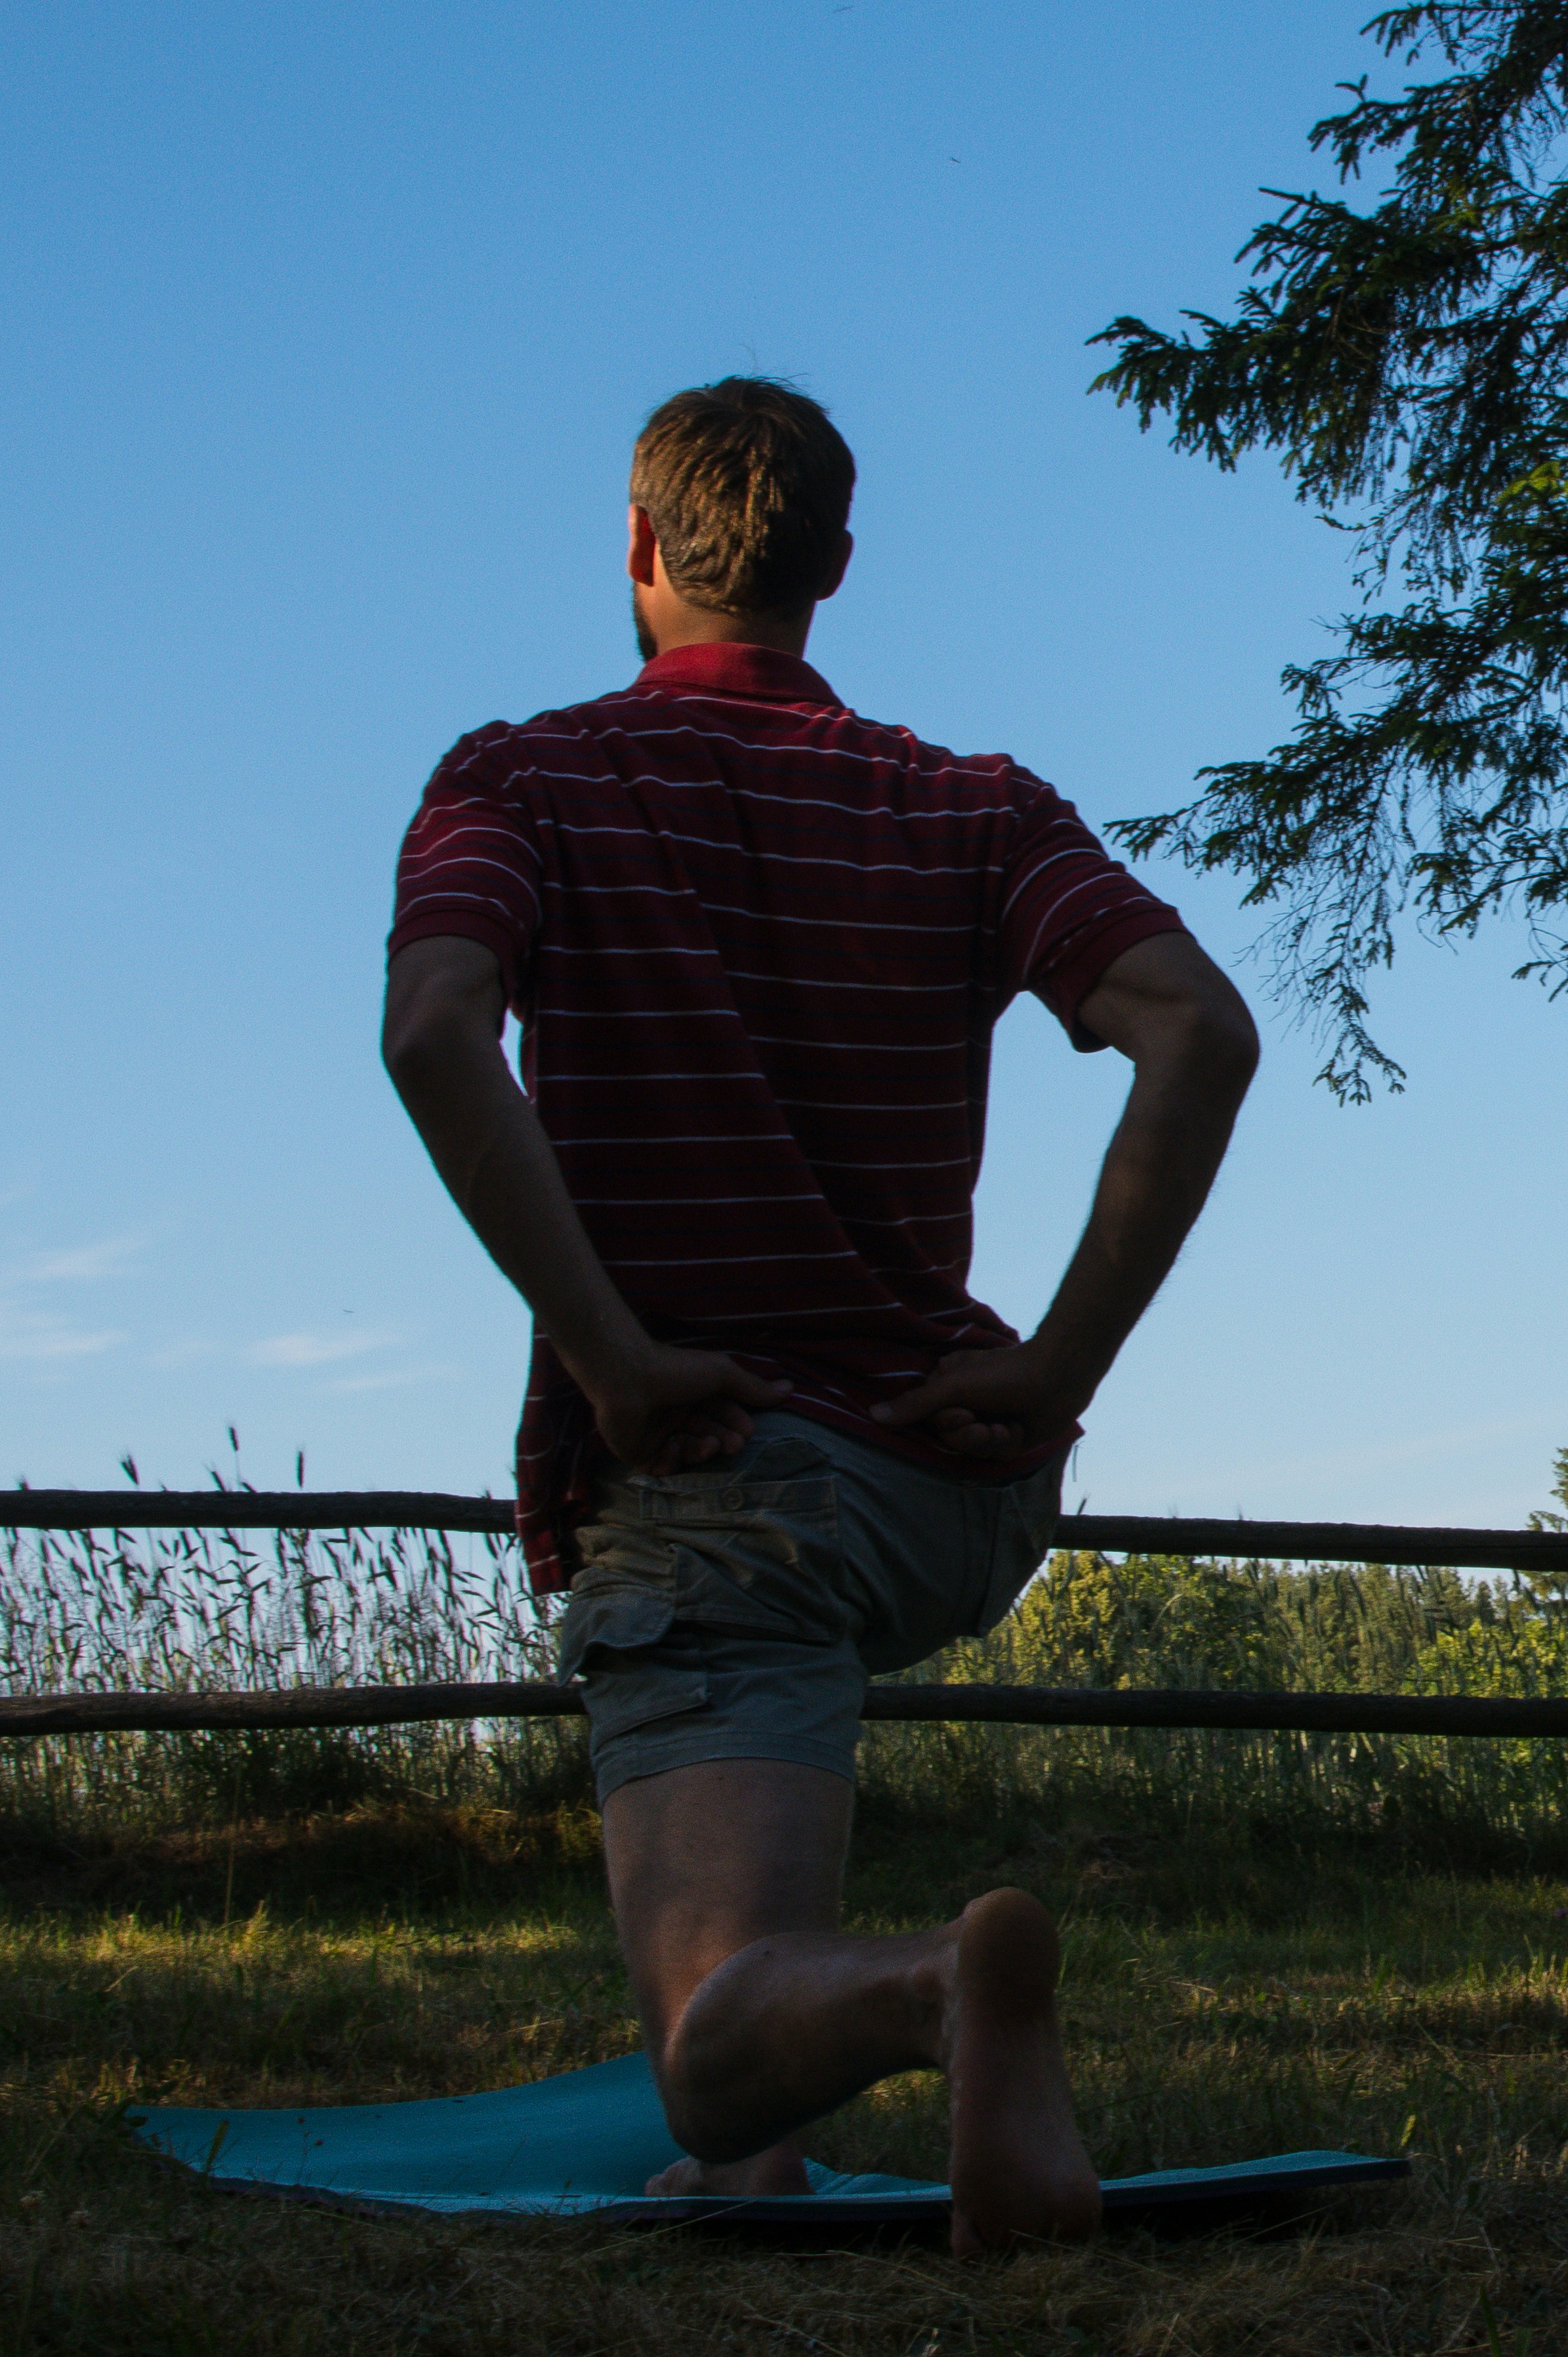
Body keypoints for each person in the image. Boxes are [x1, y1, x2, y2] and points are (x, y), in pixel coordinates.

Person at [381, 377, 1258, 2253]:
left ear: (635, 550)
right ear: (836, 568)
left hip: (725, 1489)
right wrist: (1059, 1369)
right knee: (734, 2099)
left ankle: (938, 1991)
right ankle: (760, 2157)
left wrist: (610, 1357)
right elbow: (1200, 1029)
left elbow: (436, 1025)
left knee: (707, 2033)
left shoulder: (519, 781)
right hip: (952, 1488)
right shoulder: (970, 804)